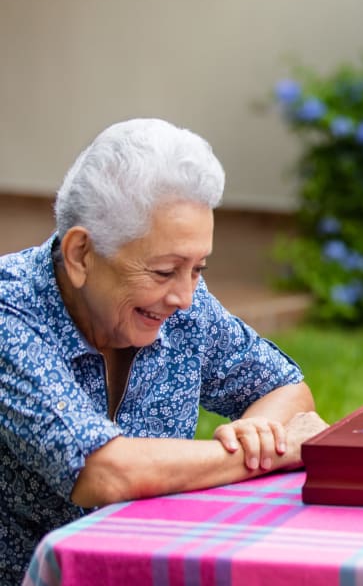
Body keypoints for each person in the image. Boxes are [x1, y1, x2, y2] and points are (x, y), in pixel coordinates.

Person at [0, 118, 329, 583]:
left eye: (197, 269)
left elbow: (287, 391)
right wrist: (262, 455)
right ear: (80, 255)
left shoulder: (181, 305)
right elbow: (102, 472)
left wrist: (258, 435)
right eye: (163, 271)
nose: (185, 297)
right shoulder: (9, 313)